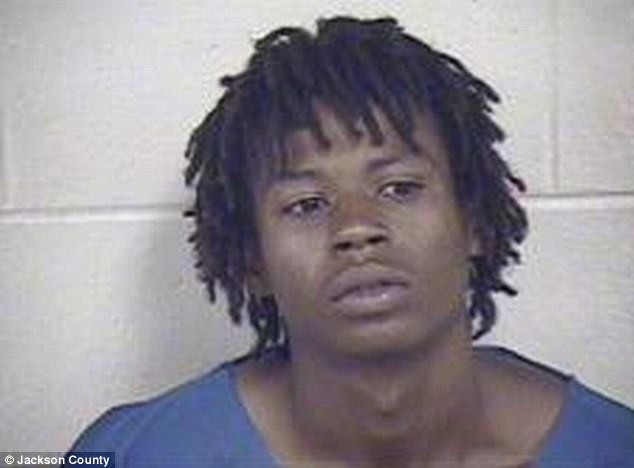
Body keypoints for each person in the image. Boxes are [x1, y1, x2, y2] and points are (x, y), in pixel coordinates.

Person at [66, 16, 634, 467]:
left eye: (400, 188)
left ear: (476, 221)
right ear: (251, 260)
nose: (357, 228)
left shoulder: (612, 450)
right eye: (307, 204)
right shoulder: (129, 455)